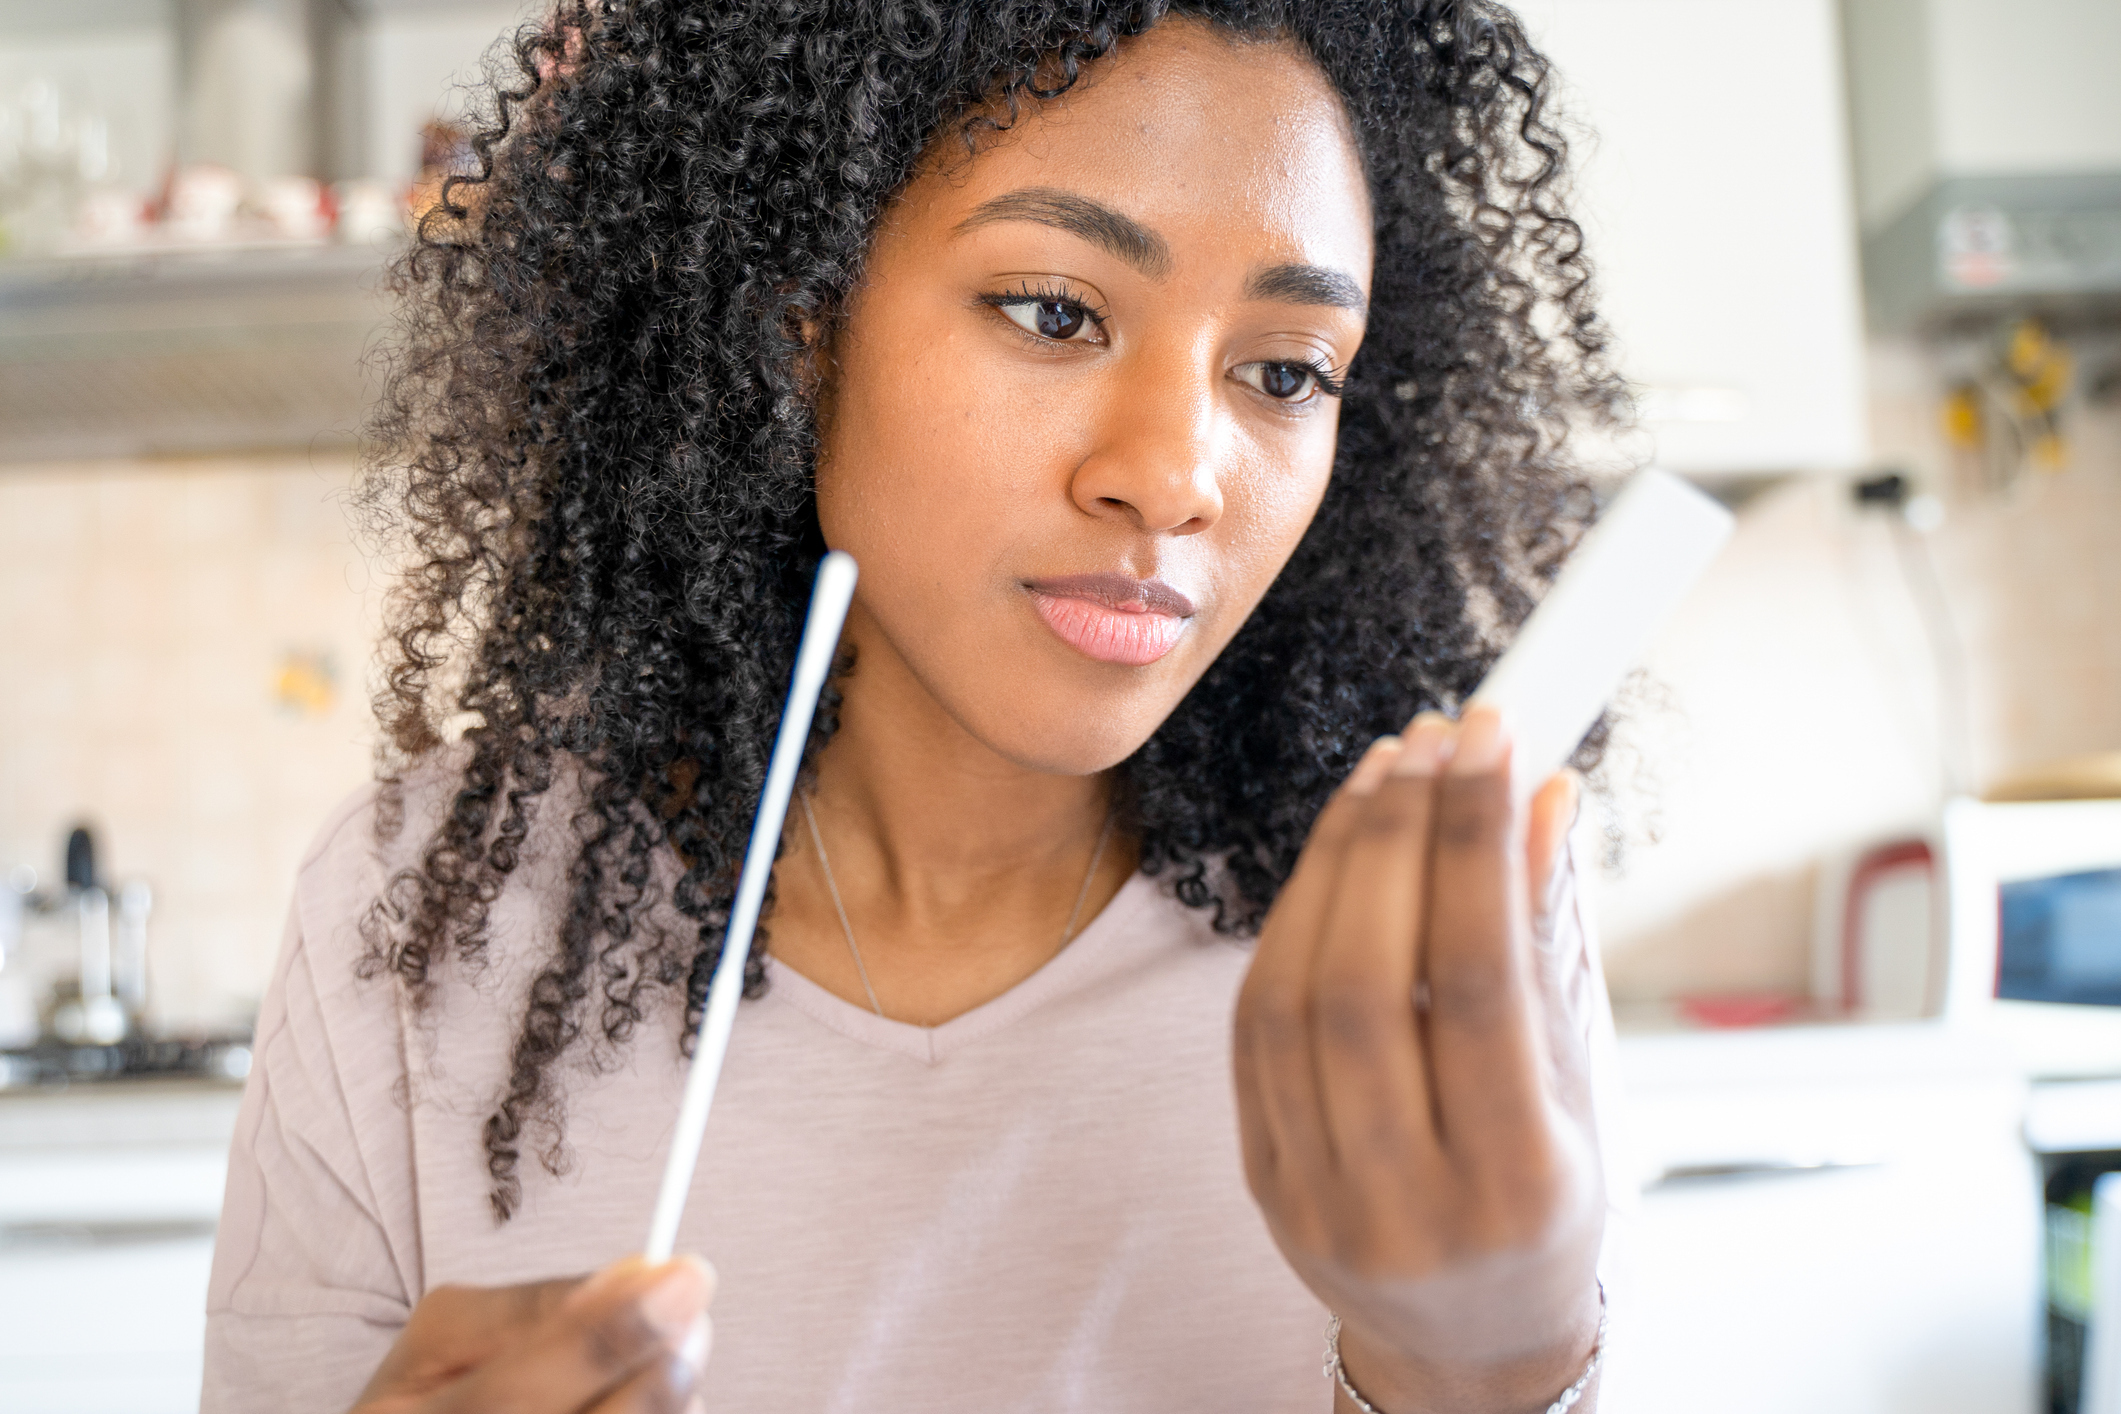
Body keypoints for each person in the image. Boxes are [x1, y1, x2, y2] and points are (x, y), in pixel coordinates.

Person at [203, 2, 1632, 1410]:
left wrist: (1484, 1369)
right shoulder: (417, 923)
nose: (1177, 473)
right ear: (801, 317)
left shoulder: (1448, 935)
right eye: (1056, 310)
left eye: (1282, 371)